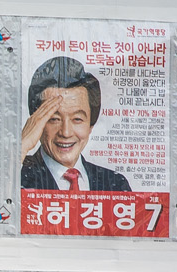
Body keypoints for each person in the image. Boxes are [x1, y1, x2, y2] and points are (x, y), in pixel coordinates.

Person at [19, 56, 132, 193]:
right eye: (54, 119)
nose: (66, 133)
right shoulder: (16, 175)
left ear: (91, 125)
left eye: (77, 119)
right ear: (36, 122)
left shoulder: (115, 184)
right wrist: (21, 147)